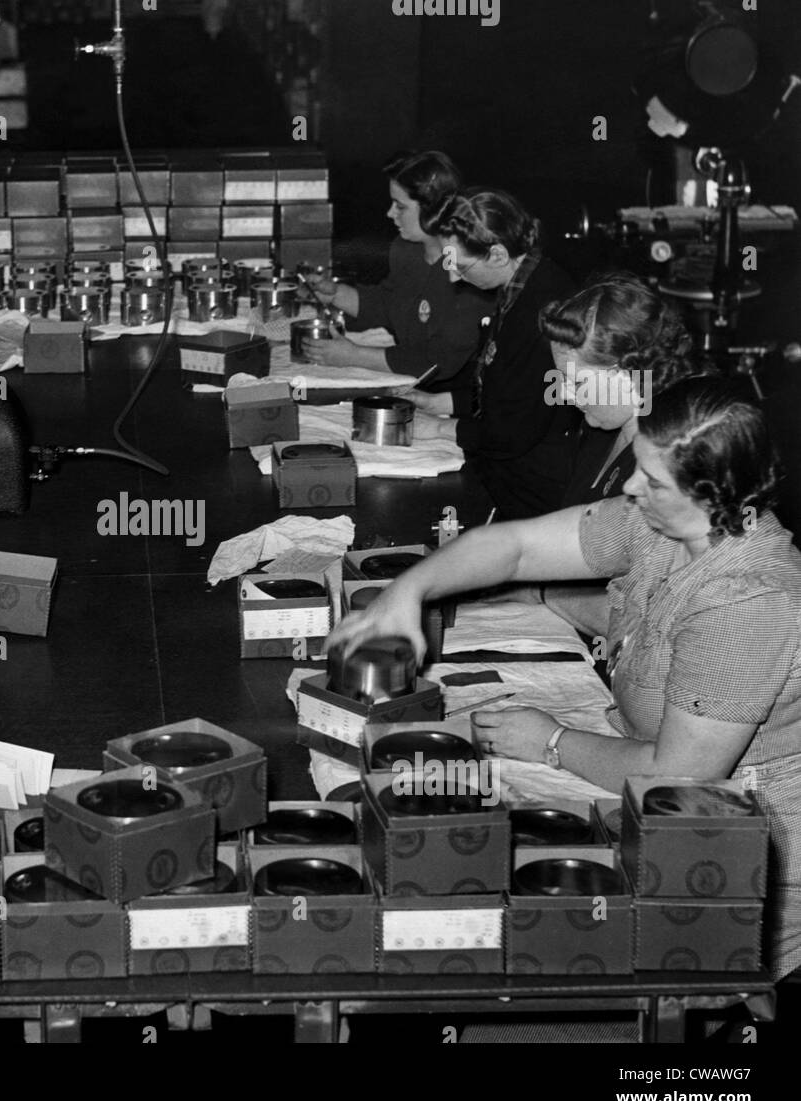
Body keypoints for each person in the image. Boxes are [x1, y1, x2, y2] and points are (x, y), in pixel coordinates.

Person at [329, 378, 801, 980]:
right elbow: (517, 547)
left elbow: (677, 779)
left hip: (737, 863)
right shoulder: (663, 524)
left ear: (714, 496)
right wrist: (407, 590)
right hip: (653, 797)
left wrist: (550, 743)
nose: (631, 486)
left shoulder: (749, 602)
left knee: (492, 924)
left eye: (653, 481)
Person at [510, 272, 702, 636]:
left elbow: (646, 622)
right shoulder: (601, 428)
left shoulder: (669, 467)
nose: (564, 394)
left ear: (632, 371)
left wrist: (541, 592)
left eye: (577, 382)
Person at [397, 187, 579, 520]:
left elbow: (515, 429)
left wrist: (439, 428)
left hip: (536, 488)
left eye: (462, 267)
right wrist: (439, 403)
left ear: (497, 255)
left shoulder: (544, 309)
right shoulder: (520, 285)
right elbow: (504, 383)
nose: (453, 277)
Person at [302, 150, 495, 387]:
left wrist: (354, 356)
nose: (390, 213)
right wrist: (336, 294)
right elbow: (390, 304)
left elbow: (439, 360)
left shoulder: (468, 271)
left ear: (433, 210)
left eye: (400, 206)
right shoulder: (407, 251)